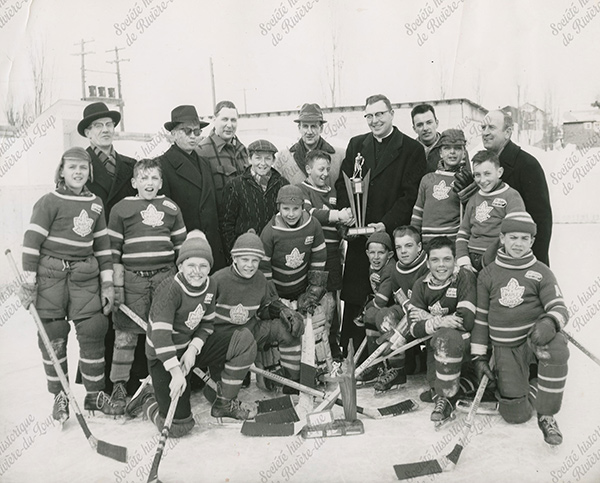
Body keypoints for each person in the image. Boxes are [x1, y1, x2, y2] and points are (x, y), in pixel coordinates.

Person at [20, 147, 120, 421]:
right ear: (61, 171)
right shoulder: (48, 201)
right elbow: (31, 244)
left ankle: (94, 395)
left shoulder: (96, 203)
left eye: (83, 168)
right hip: (51, 274)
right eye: (72, 167)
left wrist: (108, 285)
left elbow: (103, 247)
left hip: (84, 276)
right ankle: (60, 395)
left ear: (90, 172)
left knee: (93, 328)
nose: (78, 172)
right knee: (53, 335)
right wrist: (29, 283)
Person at [125, 231, 259, 435]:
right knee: (179, 427)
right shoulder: (170, 289)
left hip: (188, 348)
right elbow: (160, 337)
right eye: (191, 265)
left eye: (203, 265)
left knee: (243, 340)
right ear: (180, 266)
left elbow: (206, 323)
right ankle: (148, 400)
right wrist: (175, 372)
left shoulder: (211, 284)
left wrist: (193, 349)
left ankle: (223, 401)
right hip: (163, 356)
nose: (197, 271)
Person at [335, 94, 426, 355]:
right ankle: (350, 353)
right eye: (369, 116)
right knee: (355, 296)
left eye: (379, 114)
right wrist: (347, 212)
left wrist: (385, 225)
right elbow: (344, 184)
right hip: (359, 236)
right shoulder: (356, 145)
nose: (374, 120)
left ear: (391, 114)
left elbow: (410, 196)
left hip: (388, 236)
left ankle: (389, 358)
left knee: (386, 295)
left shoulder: (411, 149)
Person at [472, 212, 569, 445]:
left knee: (556, 346)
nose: (518, 244)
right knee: (516, 414)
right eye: (513, 237)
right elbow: (481, 319)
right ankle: (535, 385)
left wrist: (549, 322)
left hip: (533, 340)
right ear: (502, 238)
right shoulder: (488, 274)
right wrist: (479, 356)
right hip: (505, 347)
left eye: (524, 239)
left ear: (532, 241)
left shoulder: (541, 271)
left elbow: (559, 307)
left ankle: (547, 415)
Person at [107, 158, 187, 410]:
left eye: (154, 178)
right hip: (132, 280)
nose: (149, 183)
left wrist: (181, 282)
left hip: (165, 277)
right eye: (144, 178)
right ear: (134, 182)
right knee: (126, 334)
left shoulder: (171, 207)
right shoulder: (121, 209)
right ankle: (119, 385)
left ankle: (157, 383)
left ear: (161, 182)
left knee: (162, 333)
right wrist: (116, 286)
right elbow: (113, 252)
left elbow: (181, 249)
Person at [78, 101, 140, 396]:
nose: (105, 130)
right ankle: (98, 386)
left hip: (123, 252)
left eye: (109, 124)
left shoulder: (129, 166)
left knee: (124, 314)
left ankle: (126, 382)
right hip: (92, 253)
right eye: (98, 126)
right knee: (97, 318)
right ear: (88, 133)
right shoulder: (79, 167)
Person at [210, 231, 305, 389]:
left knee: (287, 329)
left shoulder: (260, 279)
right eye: (245, 259)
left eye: (255, 260)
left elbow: (263, 309)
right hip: (224, 340)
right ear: (234, 258)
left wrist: (282, 311)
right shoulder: (218, 279)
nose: (250, 265)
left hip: (250, 331)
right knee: (218, 394)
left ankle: (292, 381)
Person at [259, 185, 329, 382]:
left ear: (303, 208)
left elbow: (319, 259)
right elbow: (264, 272)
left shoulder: (313, 225)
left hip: (301, 289)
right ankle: (275, 370)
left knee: (314, 323)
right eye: (286, 209)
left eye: (295, 209)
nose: (291, 214)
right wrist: (275, 303)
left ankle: (317, 368)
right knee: (281, 327)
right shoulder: (269, 232)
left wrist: (312, 293)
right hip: (278, 291)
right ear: (278, 208)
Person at [407, 236, 477, 426]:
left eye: (447, 259)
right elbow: (413, 327)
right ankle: (454, 390)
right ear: (428, 262)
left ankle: (449, 397)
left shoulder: (464, 276)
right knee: (435, 386)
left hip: (464, 343)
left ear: (455, 260)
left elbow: (466, 320)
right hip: (437, 342)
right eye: (435, 260)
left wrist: (428, 318)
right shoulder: (421, 284)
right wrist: (439, 321)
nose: (441, 265)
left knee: (447, 340)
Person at [298, 149, 353, 360]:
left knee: (333, 300)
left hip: (333, 253)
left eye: (328, 169)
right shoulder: (303, 190)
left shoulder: (332, 191)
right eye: (320, 169)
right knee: (317, 298)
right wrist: (337, 215)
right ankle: (314, 345)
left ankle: (332, 343)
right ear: (308, 169)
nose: (325, 173)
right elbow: (310, 215)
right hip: (314, 255)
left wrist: (347, 225)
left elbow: (339, 222)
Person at [158, 105, 226, 271]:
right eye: (187, 131)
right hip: (186, 250)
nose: (193, 136)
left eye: (197, 131)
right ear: (173, 134)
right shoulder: (162, 165)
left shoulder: (204, 163)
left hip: (212, 248)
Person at [481, 110, 553, 265]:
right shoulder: (482, 167)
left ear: (507, 132)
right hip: (491, 259)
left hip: (521, 258)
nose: (485, 133)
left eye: (491, 127)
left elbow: (541, 219)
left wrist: (536, 263)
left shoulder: (527, 165)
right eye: (483, 127)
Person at [363, 226, 430, 389]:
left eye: (408, 246)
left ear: (419, 247)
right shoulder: (396, 269)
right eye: (399, 247)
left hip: (428, 315)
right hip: (409, 311)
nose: (403, 251)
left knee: (398, 331)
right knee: (382, 315)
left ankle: (411, 362)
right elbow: (400, 296)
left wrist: (400, 329)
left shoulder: (427, 266)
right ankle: (393, 369)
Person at [456, 150, 526, 272]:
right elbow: (463, 232)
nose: (482, 180)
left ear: (499, 172)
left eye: (487, 173)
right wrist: (463, 260)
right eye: (477, 175)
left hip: (496, 258)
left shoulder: (511, 196)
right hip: (471, 258)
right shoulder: (473, 198)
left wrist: (492, 256)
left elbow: (515, 232)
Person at [220, 139, 289, 257]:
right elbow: (226, 224)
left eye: (267, 158)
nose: (263, 163)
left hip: (275, 251)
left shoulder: (283, 184)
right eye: (258, 158)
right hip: (246, 251)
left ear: (273, 160)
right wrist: (233, 253)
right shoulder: (235, 185)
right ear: (249, 159)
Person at [411, 129, 468, 244]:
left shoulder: (466, 180)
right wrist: (414, 239)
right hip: (428, 241)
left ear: (464, 153)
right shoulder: (427, 179)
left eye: (457, 148)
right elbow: (418, 213)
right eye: (447, 148)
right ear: (440, 153)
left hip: (452, 241)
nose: (452, 152)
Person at [354, 232, 396, 389]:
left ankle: (388, 367)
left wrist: (365, 310)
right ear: (367, 253)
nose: (376, 257)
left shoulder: (390, 270)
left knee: (372, 314)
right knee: (371, 316)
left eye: (381, 252)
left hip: (399, 309)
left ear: (390, 254)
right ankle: (375, 364)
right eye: (372, 252)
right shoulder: (375, 266)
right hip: (386, 307)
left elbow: (380, 301)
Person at [274, 103, 344, 185]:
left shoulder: (339, 157)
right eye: (305, 126)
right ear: (299, 128)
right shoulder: (284, 158)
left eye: (313, 126)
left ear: (321, 128)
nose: (309, 132)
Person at [196, 100, 248, 207]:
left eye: (233, 120)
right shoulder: (201, 151)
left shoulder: (243, 150)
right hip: (220, 221)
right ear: (214, 120)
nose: (229, 125)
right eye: (224, 119)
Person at [411, 104, 442, 173]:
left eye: (429, 122)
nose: (425, 128)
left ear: (436, 123)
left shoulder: (451, 148)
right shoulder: (408, 152)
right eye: (420, 125)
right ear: (414, 129)